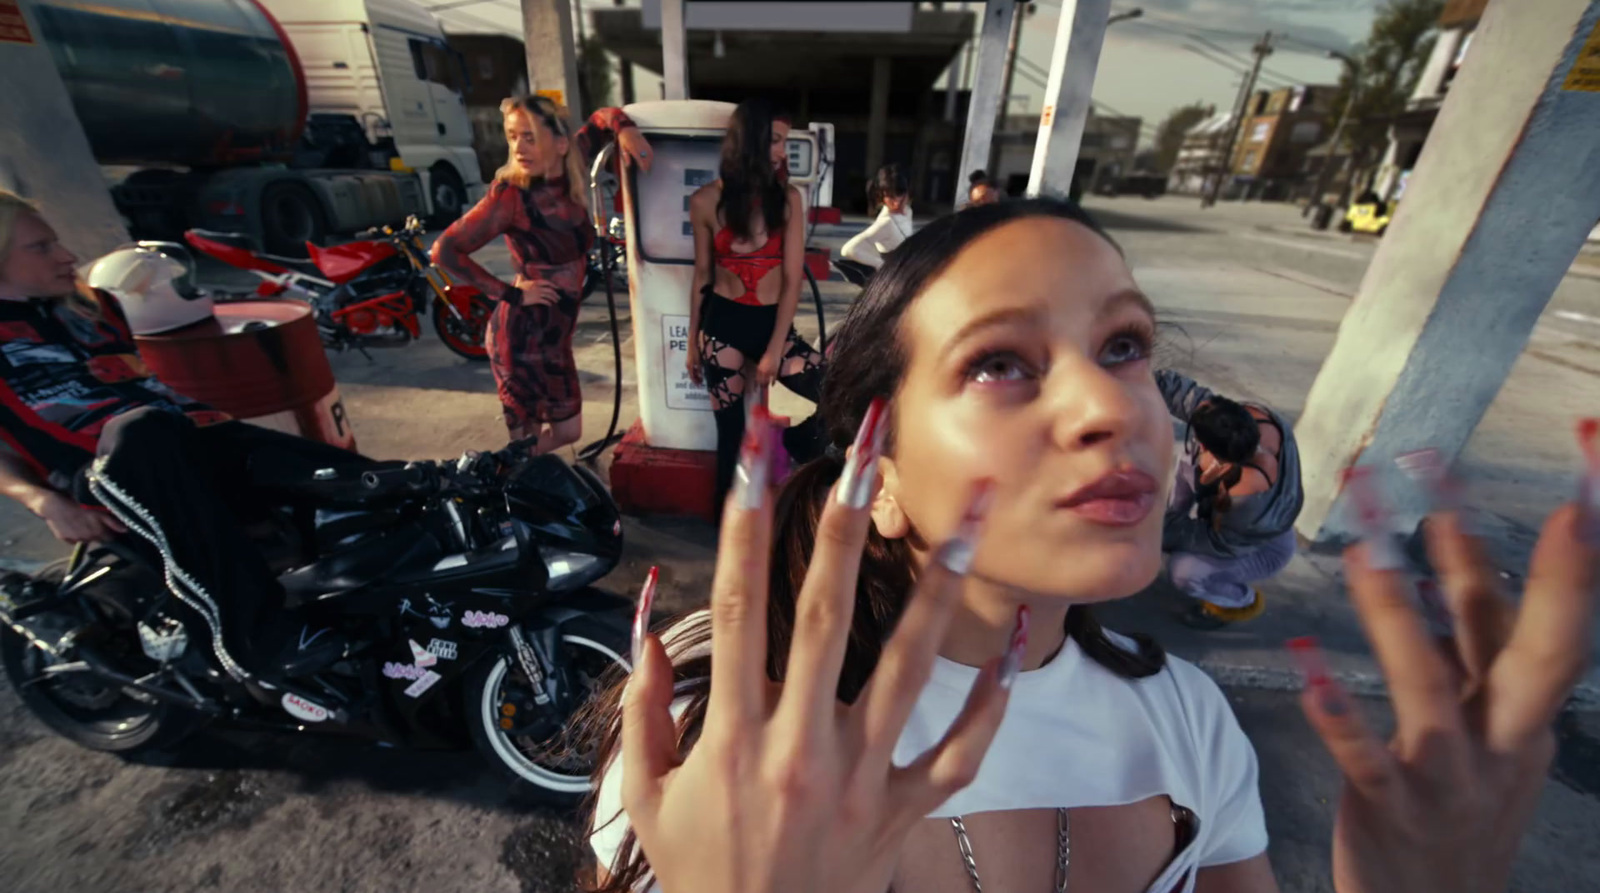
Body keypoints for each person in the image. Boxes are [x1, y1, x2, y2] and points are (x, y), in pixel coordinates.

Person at [583, 197, 1598, 893]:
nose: (1111, 405)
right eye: (997, 362)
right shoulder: (718, 725)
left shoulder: (1186, 717)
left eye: (1123, 346)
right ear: (878, 469)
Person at [0, 190, 362, 677]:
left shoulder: (90, 309)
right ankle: (255, 640)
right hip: (108, 472)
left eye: (57, 242)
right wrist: (44, 502)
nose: (66, 256)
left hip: (192, 441)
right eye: (40, 248)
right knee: (143, 429)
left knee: (362, 484)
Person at [432, 96, 651, 456]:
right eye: (513, 137)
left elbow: (601, 118)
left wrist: (626, 131)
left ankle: (511, 470)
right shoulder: (511, 195)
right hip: (520, 338)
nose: (519, 147)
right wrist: (511, 293)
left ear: (560, 143)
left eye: (530, 137)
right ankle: (515, 486)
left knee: (568, 430)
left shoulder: (574, 160)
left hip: (555, 337)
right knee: (526, 441)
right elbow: (444, 251)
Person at [686, 98, 827, 506]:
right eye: (777, 141)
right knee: (729, 435)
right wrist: (693, 341)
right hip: (721, 328)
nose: (784, 152)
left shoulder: (788, 201)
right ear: (751, 143)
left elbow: (791, 281)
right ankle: (727, 526)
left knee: (838, 396)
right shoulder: (704, 201)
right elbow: (702, 276)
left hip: (772, 327)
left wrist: (770, 354)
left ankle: (794, 446)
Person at [1157, 370, 1302, 628]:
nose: (1203, 404)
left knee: (1183, 571)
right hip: (1237, 522)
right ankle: (1164, 529)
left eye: (1201, 443)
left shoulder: (1247, 499)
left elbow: (1214, 540)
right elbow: (1195, 400)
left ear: (1218, 458)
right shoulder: (1243, 424)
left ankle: (1236, 600)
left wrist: (1151, 529)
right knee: (1188, 463)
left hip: (1262, 548)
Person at [840, 164, 913, 271]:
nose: (897, 202)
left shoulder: (907, 211)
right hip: (894, 277)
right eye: (891, 197)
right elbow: (848, 249)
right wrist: (880, 264)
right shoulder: (886, 223)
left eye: (900, 195)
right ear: (882, 197)